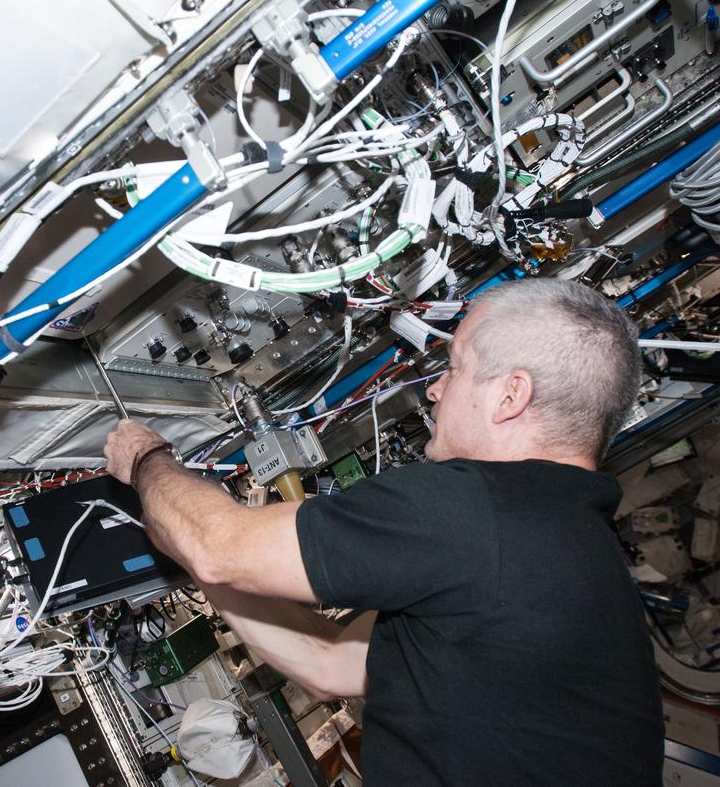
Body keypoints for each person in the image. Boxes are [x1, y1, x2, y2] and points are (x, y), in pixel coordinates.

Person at [104, 278, 664, 787]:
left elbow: (219, 547)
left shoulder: (478, 508)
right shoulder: (574, 555)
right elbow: (326, 663)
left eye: (455, 368)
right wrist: (192, 546)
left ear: (510, 396)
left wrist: (148, 459)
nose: (435, 390)